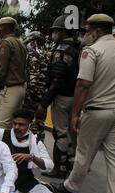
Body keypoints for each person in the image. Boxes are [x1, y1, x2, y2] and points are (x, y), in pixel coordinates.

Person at [51, 14, 115, 193]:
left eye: (88, 31)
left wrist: (75, 114)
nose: (85, 35)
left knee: (84, 152)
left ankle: (72, 186)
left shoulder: (92, 51)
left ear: (97, 31)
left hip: (98, 110)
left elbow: (83, 84)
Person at [36, 15, 81, 179]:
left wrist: (44, 102)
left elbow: (57, 78)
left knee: (61, 133)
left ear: (63, 32)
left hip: (62, 97)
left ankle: (59, 168)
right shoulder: (78, 46)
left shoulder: (62, 49)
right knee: (69, 133)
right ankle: (69, 164)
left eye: (56, 31)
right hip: (75, 96)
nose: (53, 35)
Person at [0, 109, 59, 193]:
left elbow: (49, 166)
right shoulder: (2, 134)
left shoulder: (36, 141)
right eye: (14, 123)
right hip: (4, 180)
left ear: (29, 125)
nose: (16, 127)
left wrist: (32, 157)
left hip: (25, 180)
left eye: (21, 124)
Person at [0, 17, 27, 129]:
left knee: (1, 126)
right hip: (21, 87)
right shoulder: (20, 42)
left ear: (3, 28)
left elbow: (2, 69)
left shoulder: (6, 42)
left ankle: (2, 147)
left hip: (11, 89)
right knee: (14, 125)